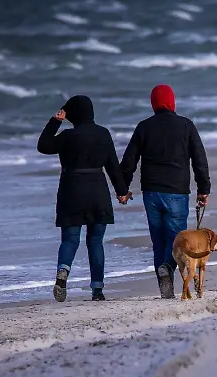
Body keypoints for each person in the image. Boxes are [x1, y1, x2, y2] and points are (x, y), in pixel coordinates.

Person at [120, 84, 211, 299]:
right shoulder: (186, 126)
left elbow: (129, 160)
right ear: (172, 101)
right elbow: (200, 158)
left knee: (158, 240)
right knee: (175, 238)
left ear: (153, 103)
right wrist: (203, 189)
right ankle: (167, 269)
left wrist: (122, 188)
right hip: (177, 192)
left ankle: (165, 285)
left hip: (151, 192)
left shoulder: (144, 127)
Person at [37, 95, 127, 302]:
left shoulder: (68, 136)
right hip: (97, 190)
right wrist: (121, 191)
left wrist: (55, 121)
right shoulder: (103, 134)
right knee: (95, 241)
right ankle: (97, 290)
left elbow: (44, 146)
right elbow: (113, 166)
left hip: (71, 190)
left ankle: (63, 271)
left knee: (70, 240)